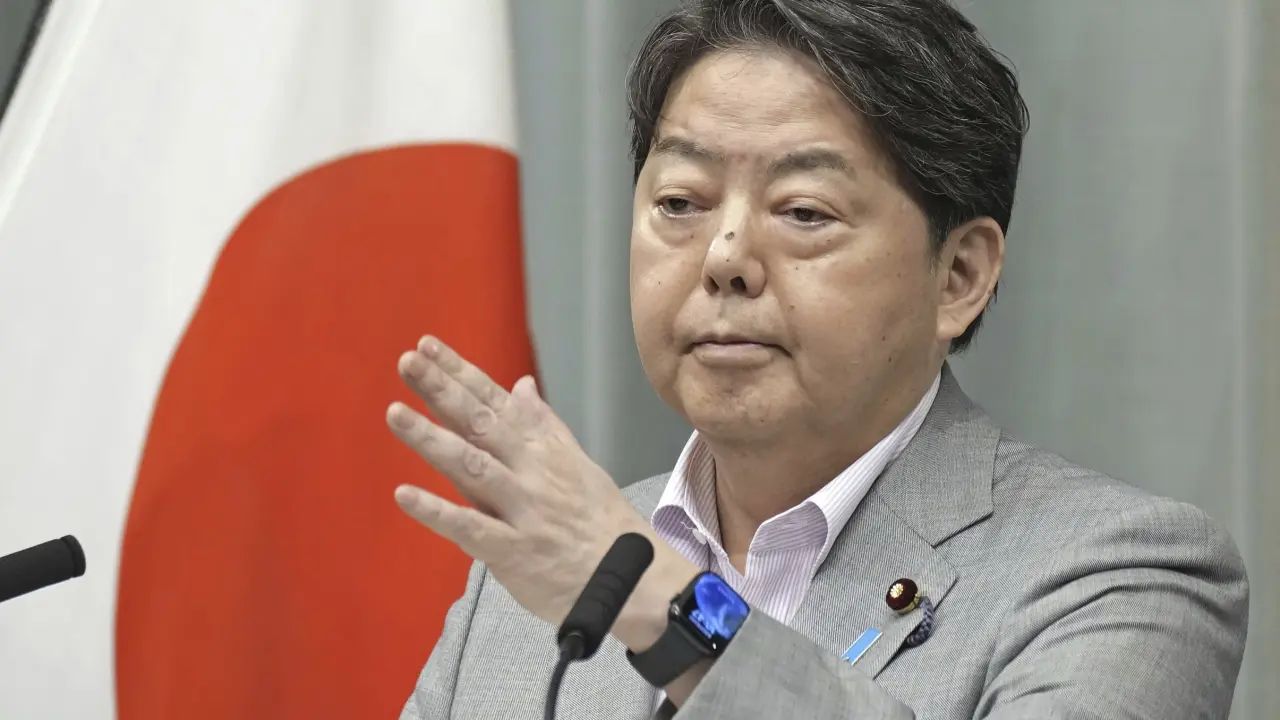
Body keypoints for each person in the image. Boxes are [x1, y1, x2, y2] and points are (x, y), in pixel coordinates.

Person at [387, 0, 1249, 717]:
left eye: (803, 211)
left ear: (959, 275)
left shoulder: (1119, 576)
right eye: (680, 202)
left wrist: (660, 603)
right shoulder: (517, 597)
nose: (725, 256)